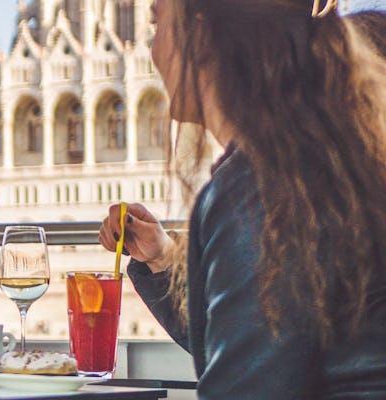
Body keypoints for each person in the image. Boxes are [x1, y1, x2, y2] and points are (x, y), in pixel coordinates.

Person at [96, 0, 386, 398]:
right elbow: (255, 348)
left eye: (156, 23)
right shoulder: (316, 159)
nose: (152, 48)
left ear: (200, 36)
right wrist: (163, 260)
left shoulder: (257, 187)